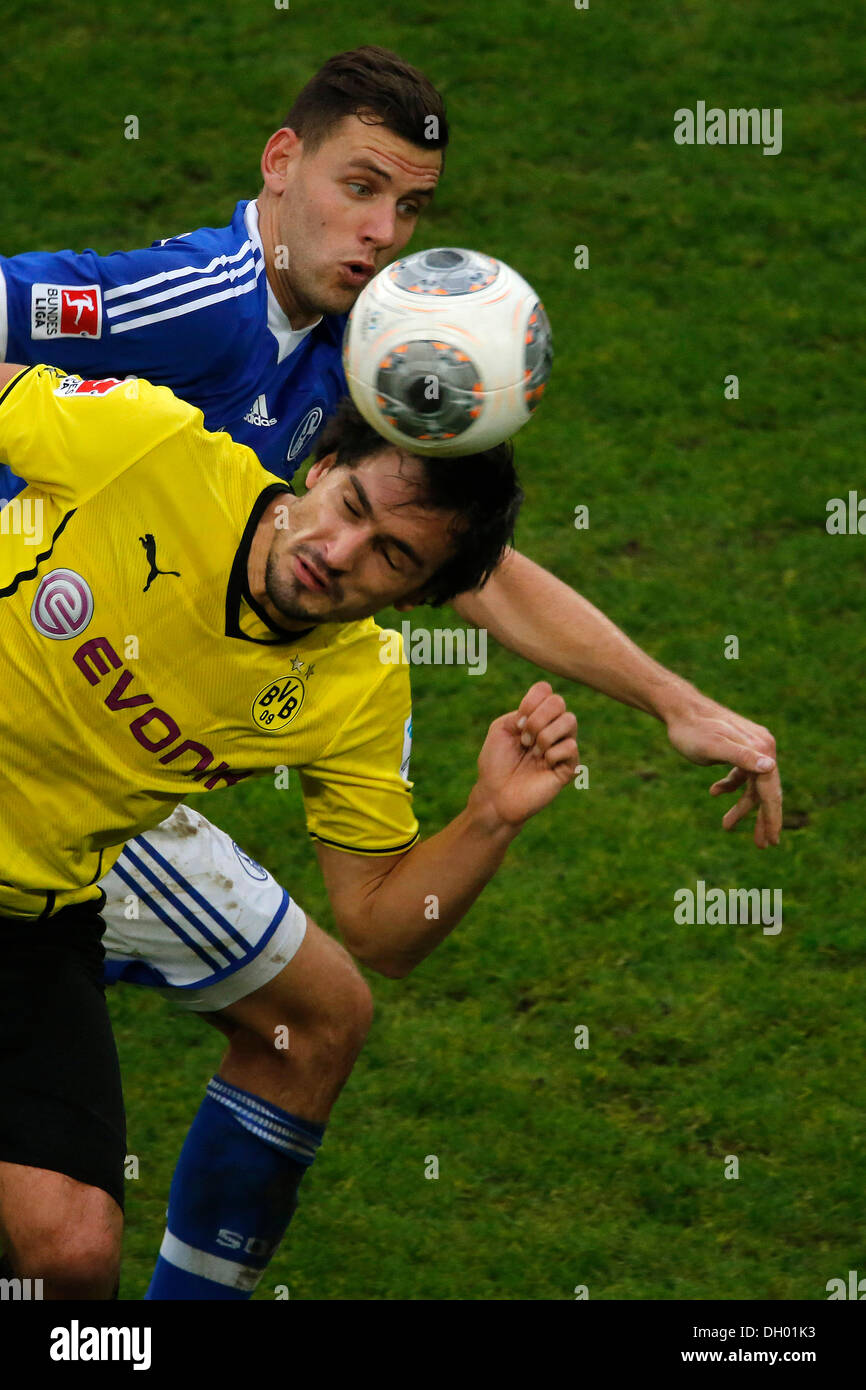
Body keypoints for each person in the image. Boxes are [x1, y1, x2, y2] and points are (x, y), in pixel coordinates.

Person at [0, 46, 781, 1299]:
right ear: (278, 163)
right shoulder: (195, 310)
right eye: (358, 190)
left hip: (110, 764)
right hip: (39, 665)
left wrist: (666, 706)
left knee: (316, 1017)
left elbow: (456, 555)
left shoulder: (358, 367)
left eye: (408, 208)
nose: (380, 234)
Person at [0, 359, 578, 1299]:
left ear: (418, 597)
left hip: (31, 913)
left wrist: (488, 820)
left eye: (391, 556)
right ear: (321, 465)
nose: (343, 551)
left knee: (71, 1256)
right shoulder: (150, 444)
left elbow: (382, 932)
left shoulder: (357, 689)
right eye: (351, 504)